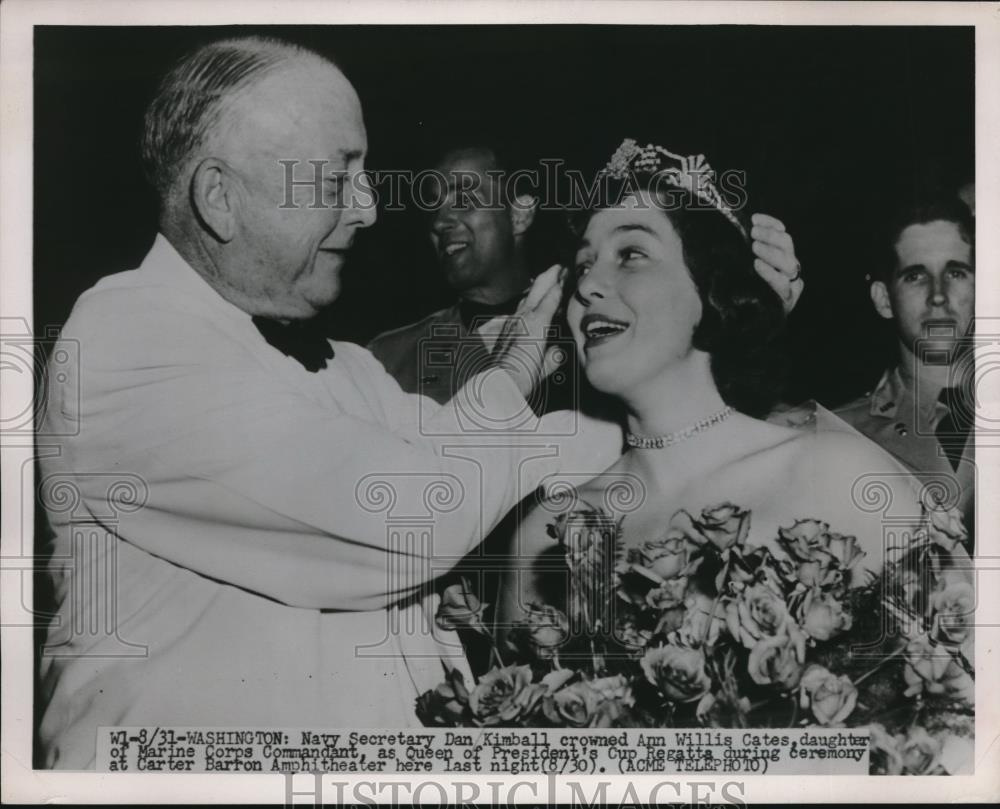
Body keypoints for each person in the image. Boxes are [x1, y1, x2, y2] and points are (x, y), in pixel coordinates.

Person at [35, 36, 623, 768]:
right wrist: (534, 373)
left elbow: (469, 445)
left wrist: (718, 361)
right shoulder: (125, 336)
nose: (371, 209)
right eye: (336, 179)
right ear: (219, 198)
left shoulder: (345, 367)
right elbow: (417, 512)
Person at [500, 141, 962, 633]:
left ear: (712, 290)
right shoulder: (546, 536)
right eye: (584, 265)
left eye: (631, 254)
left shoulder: (837, 474)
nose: (588, 285)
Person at [368, 143, 805, 407]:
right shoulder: (389, 357)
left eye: (464, 199)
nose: (441, 220)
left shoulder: (607, 336)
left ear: (520, 214)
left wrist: (744, 327)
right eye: (435, 204)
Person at [834, 194, 975, 542]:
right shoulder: (840, 434)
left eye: (956, 273)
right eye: (916, 276)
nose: (939, 296)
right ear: (884, 299)